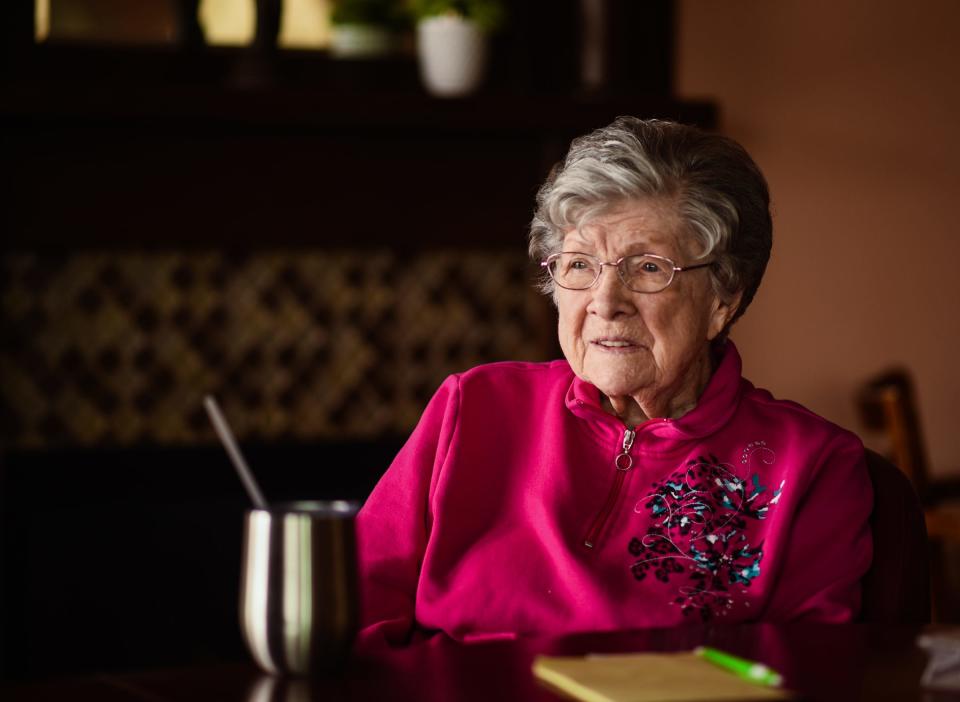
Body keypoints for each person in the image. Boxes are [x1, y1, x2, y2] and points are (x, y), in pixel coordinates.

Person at [355, 117, 872, 647]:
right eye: (580, 264)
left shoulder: (810, 465)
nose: (604, 302)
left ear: (724, 298)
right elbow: (355, 611)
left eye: (648, 268)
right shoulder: (473, 407)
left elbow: (810, 670)